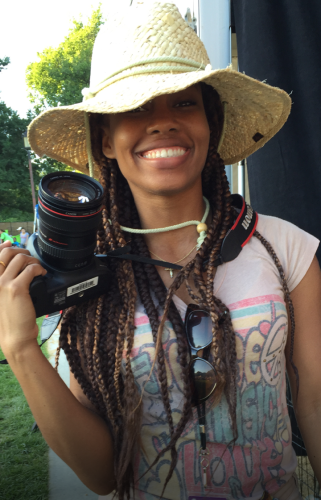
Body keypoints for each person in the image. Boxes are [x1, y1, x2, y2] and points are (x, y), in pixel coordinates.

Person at [0, 3, 321, 500]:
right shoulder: (88, 277)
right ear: (105, 141)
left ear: (210, 124)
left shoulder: (287, 249)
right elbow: (102, 474)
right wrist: (21, 349)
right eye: (136, 107)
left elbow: (316, 405)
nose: (163, 122)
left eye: (184, 103)